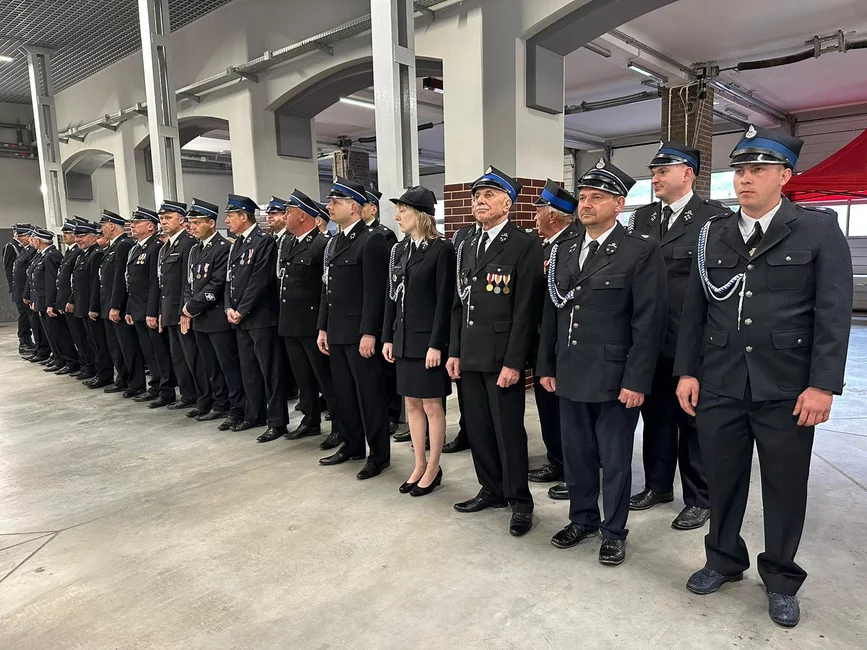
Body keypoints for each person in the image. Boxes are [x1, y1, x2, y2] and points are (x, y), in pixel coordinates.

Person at [674, 125, 853, 627]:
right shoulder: (714, 233)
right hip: (721, 381)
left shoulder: (817, 230)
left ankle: (781, 578)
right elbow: (694, 312)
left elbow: (833, 313)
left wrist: (822, 384)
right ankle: (723, 560)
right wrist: (687, 371)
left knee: (785, 486)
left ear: (784, 176)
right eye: (739, 170)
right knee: (722, 478)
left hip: (787, 387)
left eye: (757, 170)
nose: (745, 179)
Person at [538, 159, 667, 566]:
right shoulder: (564, 248)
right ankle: (582, 519)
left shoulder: (639, 250)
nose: (586, 204)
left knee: (614, 461)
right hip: (570, 371)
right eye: (582, 197)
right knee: (576, 455)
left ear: (619, 204)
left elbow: (649, 321)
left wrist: (637, 380)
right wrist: (546, 366)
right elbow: (552, 314)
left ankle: (613, 531)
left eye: (597, 197)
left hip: (615, 376)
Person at [628, 142, 729, 530]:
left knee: (693, 422)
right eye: (653, 172)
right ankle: (657, 485)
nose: (654, 178)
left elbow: (718, 286)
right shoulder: (642, 218)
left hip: (693, 341)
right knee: (655, 418)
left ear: (687, 174)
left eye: (662, 171)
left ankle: (700, 497)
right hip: (651, 340)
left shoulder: (714, 219)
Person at [446, 166, 544, 537]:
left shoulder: (523, 243)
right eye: (476, 196)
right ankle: (491, 489)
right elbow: (459, 302)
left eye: (489, 195)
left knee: (508, 432)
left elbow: (525, 309)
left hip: (502, 356)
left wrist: (515, 363)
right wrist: (454, 350)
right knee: (478, 428)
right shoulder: (467, 242)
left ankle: (520, 502)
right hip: (470, 353)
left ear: (508, 203)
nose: (480, 201)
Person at [383, 186, 455, 496]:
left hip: (427, 343)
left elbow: (444, 301)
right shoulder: (399, 250)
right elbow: (391, 297)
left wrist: (437, 344)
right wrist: (388, 337)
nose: (398, 216)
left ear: (421, 215)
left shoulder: (441, 249)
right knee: (411, 404)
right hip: (404, 339)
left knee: (431, 405)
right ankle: (419, 463)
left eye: (403, 210)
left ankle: (434, 466)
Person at [317, 177, 390, 479]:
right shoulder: (334, 241)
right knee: (344, 394)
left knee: (369, 396)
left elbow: (375, 292)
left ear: (353, 207)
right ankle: (352, 445)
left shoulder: (371, 240)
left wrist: (369, 332)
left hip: (360, 334)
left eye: (335, 202)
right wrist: (323, 328)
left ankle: (379, 455)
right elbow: (327, 289)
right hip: (337, 331)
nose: (329, 206)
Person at [528, 180, 580, 491]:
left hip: (567, 343)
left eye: (538, 212)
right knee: (548, 408)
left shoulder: (574, 245)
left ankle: (573, 468)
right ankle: (558, 461)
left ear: (552, 215)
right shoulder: (547, 246)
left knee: (566, 412)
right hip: (543, 340)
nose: (535, 218)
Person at [224, 193, 289, 442]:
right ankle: (255, 414)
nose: (227, 221)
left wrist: (241, 310)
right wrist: (228, 308)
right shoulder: (237, 244)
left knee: (270, 371)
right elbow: (229, 281)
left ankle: (277, 421)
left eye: (231, 216)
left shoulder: (264, 242)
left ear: (244, 216)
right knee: (249, 369)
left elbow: (260, 281)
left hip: (261, 318)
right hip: (240, 318)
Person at [278, 189, 340, 444]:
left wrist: (323, 325)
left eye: (289, 212)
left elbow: (326, 287)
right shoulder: (288, 242)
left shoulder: (322, 244)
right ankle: (310, 420)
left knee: (326, 379)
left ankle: (339, 425)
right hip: (290, 322)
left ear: (302, 215)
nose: (285, 216)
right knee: (303, 377)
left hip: (312, 324)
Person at [182, 198, 247, 429]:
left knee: (228, 366)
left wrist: (190, 308)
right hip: (200, 319)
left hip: (217, 318)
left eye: (197, 222)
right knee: (211, 367)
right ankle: (219, 404)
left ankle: (237, 407)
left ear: (211, 223)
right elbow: (189, 283)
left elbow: (217, 285)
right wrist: (187, 308)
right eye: (191, 223)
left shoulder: (223, 248)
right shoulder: (195, 249)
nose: (192, 227)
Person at [157, 200, 207, 413]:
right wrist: (161, 311)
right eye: (162, 218)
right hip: (170, 310)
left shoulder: (187, 243)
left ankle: (202, 397)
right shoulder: (167, 246)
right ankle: (188, 395)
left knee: (193, 358)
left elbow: (189, 281)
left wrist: (186, 311)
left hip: (183, 312)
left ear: (181, 220)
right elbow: (164, 283)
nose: (164, 222)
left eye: (168, 218)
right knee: (178, 358)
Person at [127, 208, 177, 408]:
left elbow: (155, 283)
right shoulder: (136, 248)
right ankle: (155, 385)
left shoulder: (155, 247)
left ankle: (166, 390)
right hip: (137, 309)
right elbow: (131, 282)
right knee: (149, 352)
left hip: (150, 309)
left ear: (150, 226)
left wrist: (152, 311)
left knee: (160, 353)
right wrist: (129, 309)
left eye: (136, 223)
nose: (132, 226)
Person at [362, 188, 402, 437]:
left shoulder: (384, 235)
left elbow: (388, 277)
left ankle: (392, 413)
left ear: (372, 208)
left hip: (381, 309)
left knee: (387, 369)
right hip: (367, 312)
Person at [439, 216, 478, 455]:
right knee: (464, 390)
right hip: (463, 322)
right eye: (475, 198)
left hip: (488, 330)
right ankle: (466, 432)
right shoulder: (463, 235)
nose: (478, 202)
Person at [99, 210, 140, 397]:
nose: (101, 229)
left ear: (111, 225)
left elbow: (120, 279)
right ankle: (123, 378)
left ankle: (135, 383)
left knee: (127, 347)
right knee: (116, 346)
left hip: (119, 306)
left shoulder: (124, 245)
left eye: (103, 226)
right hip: (109, 303)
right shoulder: (113, 246)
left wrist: (116, 305)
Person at [30, 227, 80, 374]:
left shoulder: (52, 255)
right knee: (52, 334)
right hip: (43, 300)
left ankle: (69, 360)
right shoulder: (44, 255)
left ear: (39, 240)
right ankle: (59, 358)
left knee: (60, 334)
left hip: (50, 300)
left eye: (34, 239)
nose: (32, 242)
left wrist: (50, 303)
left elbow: (51, 282)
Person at [72, 221, 115, 389]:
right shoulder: (83, 254)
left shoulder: (96, 254)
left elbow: (95, 284)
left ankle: (104, 374)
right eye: (77, 236)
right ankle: (98, 372)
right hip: (83, 305)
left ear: (93, 236)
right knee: (92, 342)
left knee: (99, 344)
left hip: (92, 306)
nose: (78, 240)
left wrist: (93, 307)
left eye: (82, 236)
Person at [57, 218, 90, 378]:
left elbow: (76, 282)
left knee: (83, 338)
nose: (65, 235)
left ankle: (88, 366)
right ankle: (84, 365)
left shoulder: (79, 252)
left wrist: (70, 300)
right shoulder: (72, 252)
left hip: (78, 301)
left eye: (68, 232)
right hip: (72, 300)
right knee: (78, 337)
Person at [4, 223, 35, 354]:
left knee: (28, 316)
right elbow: (9, 269)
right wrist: (15, 288)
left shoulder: (24, 247)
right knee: (24, 315)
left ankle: (28, 340)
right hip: (19, 288)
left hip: (24, 288)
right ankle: (24, 341)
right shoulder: (11, 247)